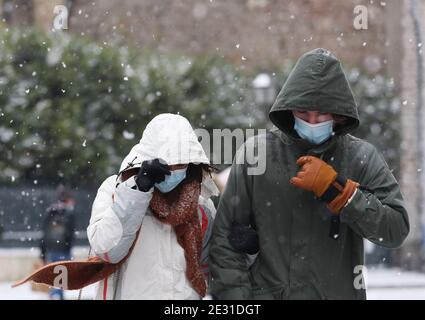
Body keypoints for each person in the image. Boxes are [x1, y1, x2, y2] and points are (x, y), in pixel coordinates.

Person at [208, 48, 410, 300]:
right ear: (289, 109)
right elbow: (226, 243)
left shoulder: (362, 158)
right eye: (303, 112)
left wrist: (340, 193)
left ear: (338, 114)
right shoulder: (255, 155)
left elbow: (396, 229)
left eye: (322, 113)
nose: (312, 121)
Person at [87, 113, 219, 300]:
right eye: (167, 163)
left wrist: (246, 249)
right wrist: (139, 190)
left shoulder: (200, 207)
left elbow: (215, 265)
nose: (173, 170)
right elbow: (107, 250)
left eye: (180, 163)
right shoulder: (116, 190)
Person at [40, 184, 75, 300]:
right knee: (62, 275)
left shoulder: (50, 211)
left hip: (52, 248)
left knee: (55, 274)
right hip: (64, 248)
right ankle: (58, 295)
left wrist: (43, 252)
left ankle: (55, 294)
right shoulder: (69, 212)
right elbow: (71, 233)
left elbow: (44, 233)